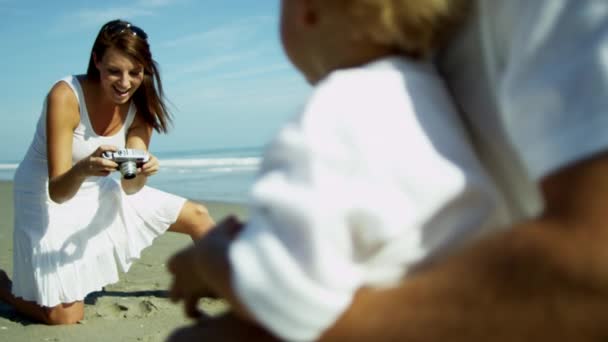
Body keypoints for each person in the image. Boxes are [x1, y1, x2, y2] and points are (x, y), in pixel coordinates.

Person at [174, 0, 608, 341]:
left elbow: (281, 292)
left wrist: (214, 260)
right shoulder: (432, 97)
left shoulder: (334, 116)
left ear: (307, 9)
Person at [0, 19, 216, 325]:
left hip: (96, 188)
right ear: (97, 61)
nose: (125, 82)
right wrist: (84, 167)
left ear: (145, 70)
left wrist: (143, 171)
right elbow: (57, 191)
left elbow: (129, 187)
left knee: (198, 216)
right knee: (64, 316)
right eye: (114, 70)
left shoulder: (141, 107)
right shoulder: (65, 96)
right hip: (46, 193)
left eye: (135, 72)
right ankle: (3, 287)